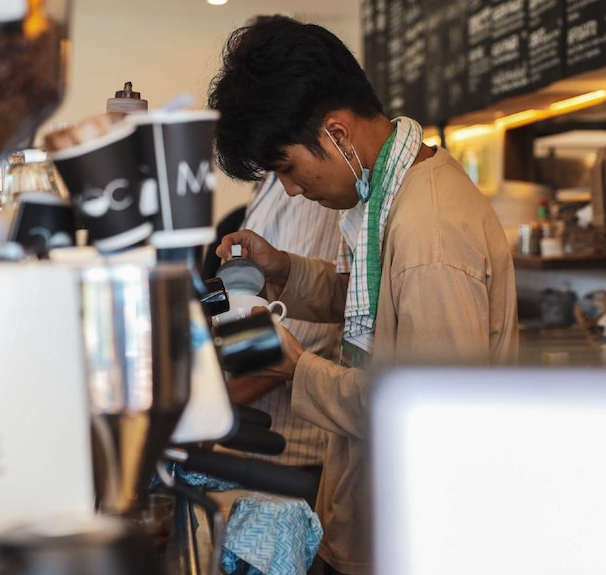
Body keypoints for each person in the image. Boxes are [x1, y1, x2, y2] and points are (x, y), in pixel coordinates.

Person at [208, 15, 519, 575]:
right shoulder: (392, 195)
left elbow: (433, 410)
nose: (293, 188)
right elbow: (376, 305)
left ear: (337, 133)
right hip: (366, 510)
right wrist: (282, 271)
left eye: (289, 167)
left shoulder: (430, 233)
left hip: (412, 534)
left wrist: (296, 368)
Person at [212, 172, 342, 507]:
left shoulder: (309, 190)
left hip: (289, 457)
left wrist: (208, 407)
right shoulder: (273, 180)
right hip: (252, 448)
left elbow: (297, 336)